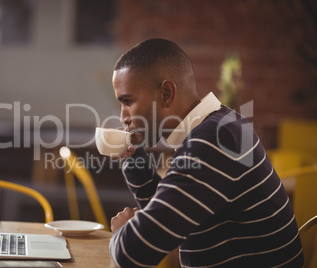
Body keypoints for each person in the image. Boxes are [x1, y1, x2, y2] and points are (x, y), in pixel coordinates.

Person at [108, 38, 303, 267]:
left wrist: (122, 232)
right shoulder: (223, 124)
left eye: (128, 101)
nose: (122, 117)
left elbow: (134, 253)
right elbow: (171, 217)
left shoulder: (213, 141)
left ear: (166, 93)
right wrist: (134, 157)